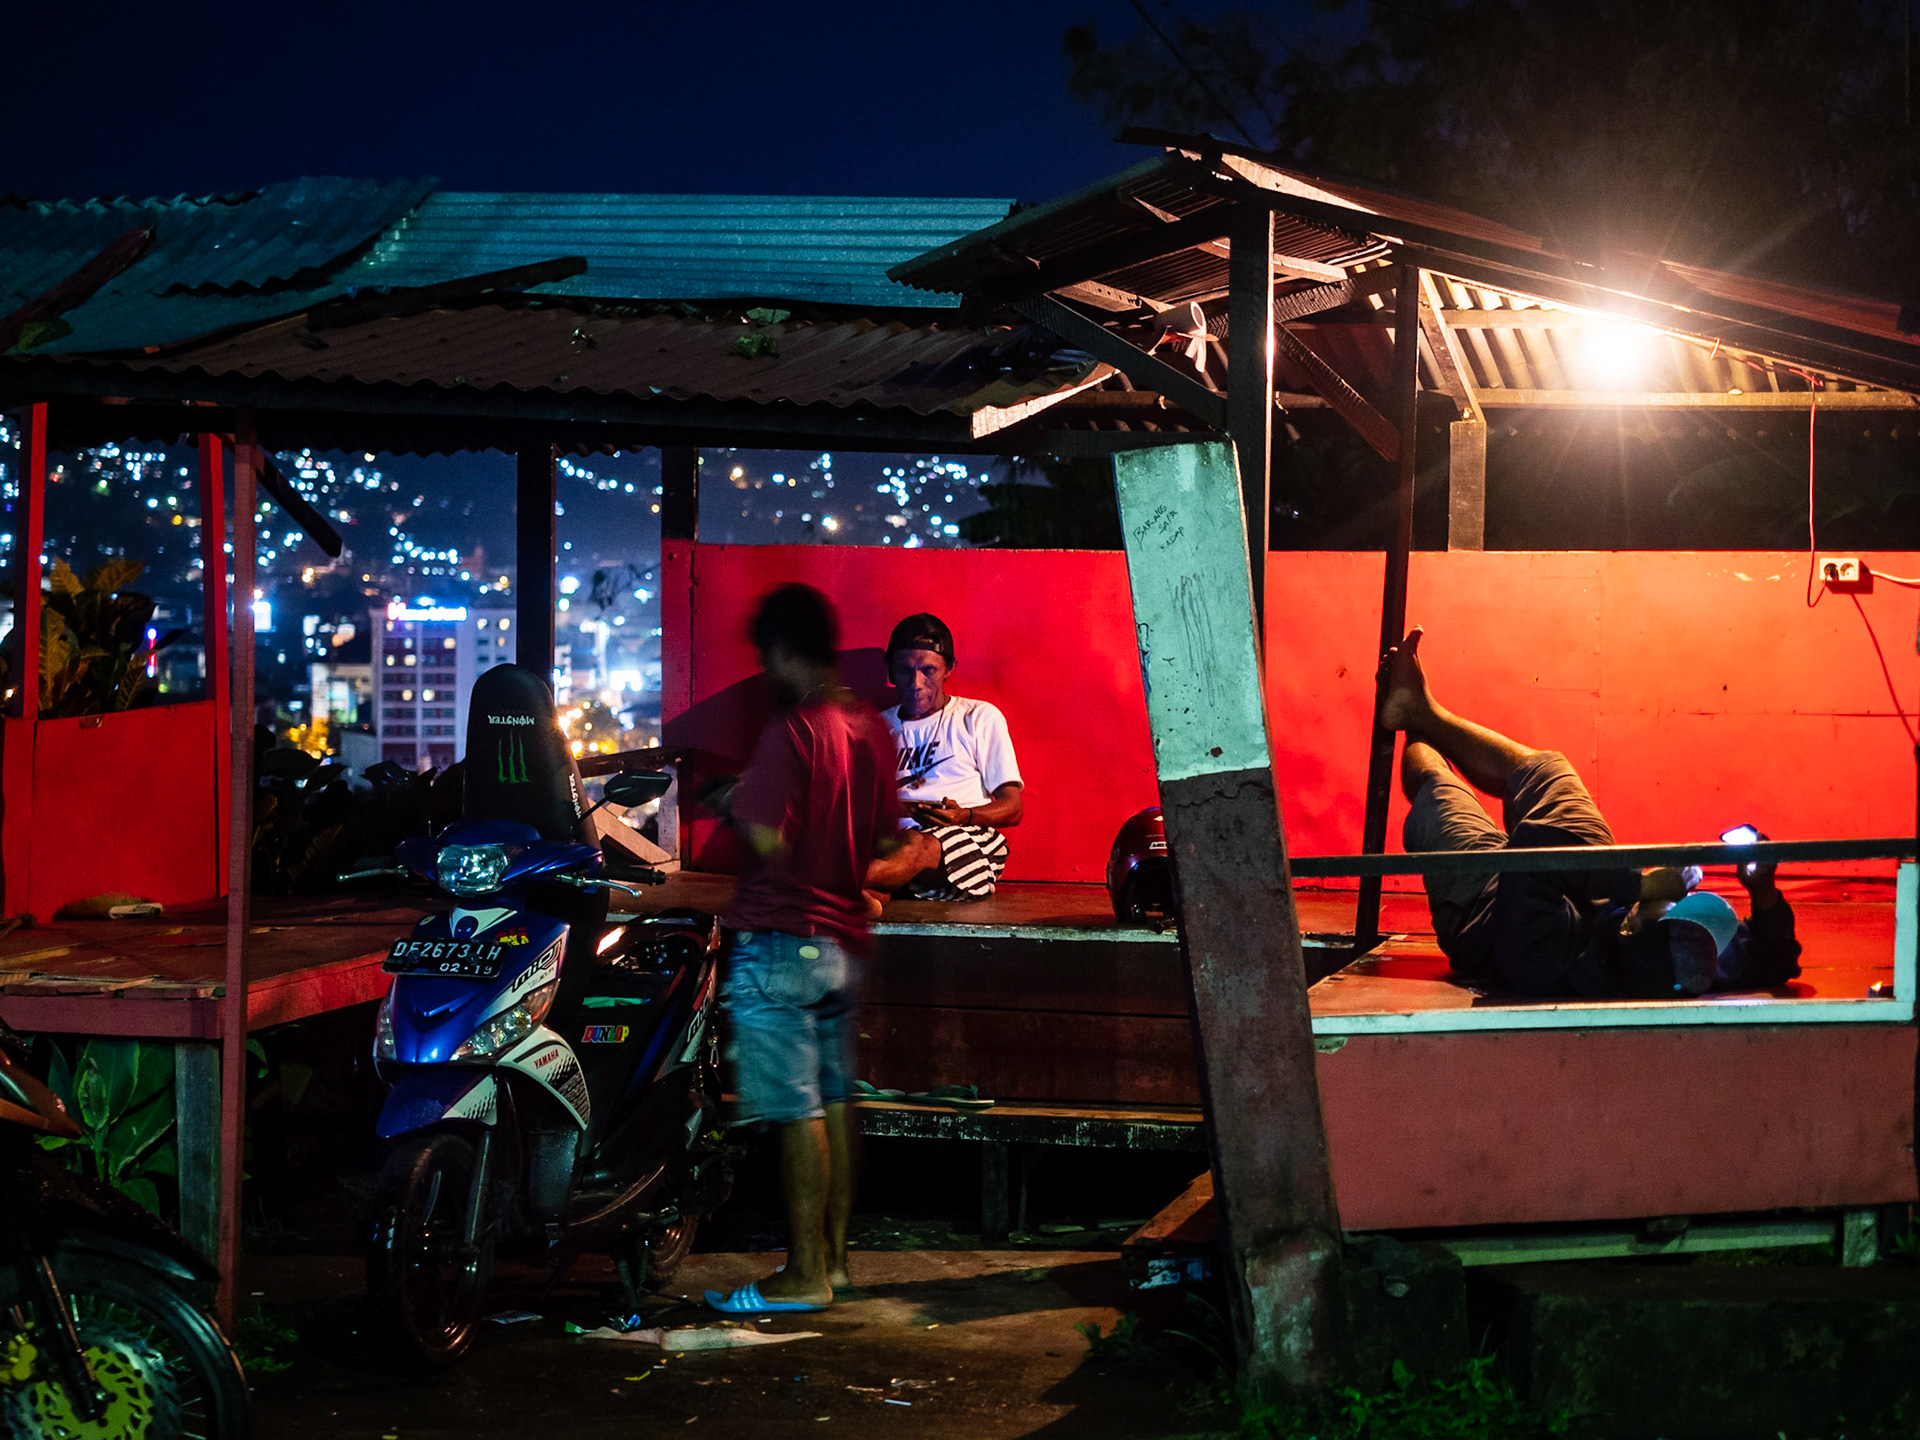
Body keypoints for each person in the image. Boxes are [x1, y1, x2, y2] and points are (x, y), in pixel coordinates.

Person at [705, 584, 937, 1314]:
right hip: (842, 942)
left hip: (784, 939)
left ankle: (801, 1274)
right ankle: (833, 1263)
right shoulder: (869, 727)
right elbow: (878, 841)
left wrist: (734, 804)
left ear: (780, 652)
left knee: (795, 1109)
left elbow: (773, 838)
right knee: (836, 1101)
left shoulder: (793, 728)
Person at [1379, 627, 1800, 998]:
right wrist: (1761, 888)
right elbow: (1777, 959)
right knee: (1548, 768)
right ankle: (1421, 710)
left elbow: (1533, 845)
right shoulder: (1694, 961)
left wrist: (1641, 886)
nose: (1682, 898)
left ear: (1630, 927)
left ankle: (1412, 722)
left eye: (1672, 905)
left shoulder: (1540, 959)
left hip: (1487, 907)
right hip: (1596, 891)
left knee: (1441, 790)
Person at [878, 612, 1025, 901]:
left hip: (967, 837)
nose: (916, 682)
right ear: (891, 670)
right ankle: (865, 897)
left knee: (910, 845)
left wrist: (964, 815)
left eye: (928, 671)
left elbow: (1013, 808)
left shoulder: (977, 717)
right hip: (893, 843)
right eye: (906, 671)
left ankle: (823, 894)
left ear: (949, 668)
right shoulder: (877, 727)